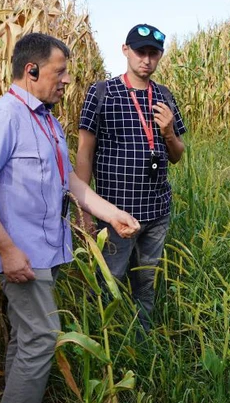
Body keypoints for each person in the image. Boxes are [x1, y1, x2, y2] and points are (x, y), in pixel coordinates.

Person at [0, 32, 140, 403]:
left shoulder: (46, 121)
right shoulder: (3, 117)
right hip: (22, 255)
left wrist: (110, 213)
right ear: (32, 70)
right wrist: (6, 250)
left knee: (27, 337)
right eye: (60, 73)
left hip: (46, 250)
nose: (66, 81)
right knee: (41, 337)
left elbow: (71, 183)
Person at [76, 23, 186, 333]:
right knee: (106, 284)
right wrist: (84, 210)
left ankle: (142, 340)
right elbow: (84, 153)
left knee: (146, 285)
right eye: (140, 52)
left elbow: (177, 154)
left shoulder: (164, 96)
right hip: (115, 216)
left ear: (160, 56)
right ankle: (100, 341)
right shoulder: (102, 93)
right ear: (125, 50)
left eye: (153, 54)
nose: (146, 60)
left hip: (156, 212)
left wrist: (167, 133)